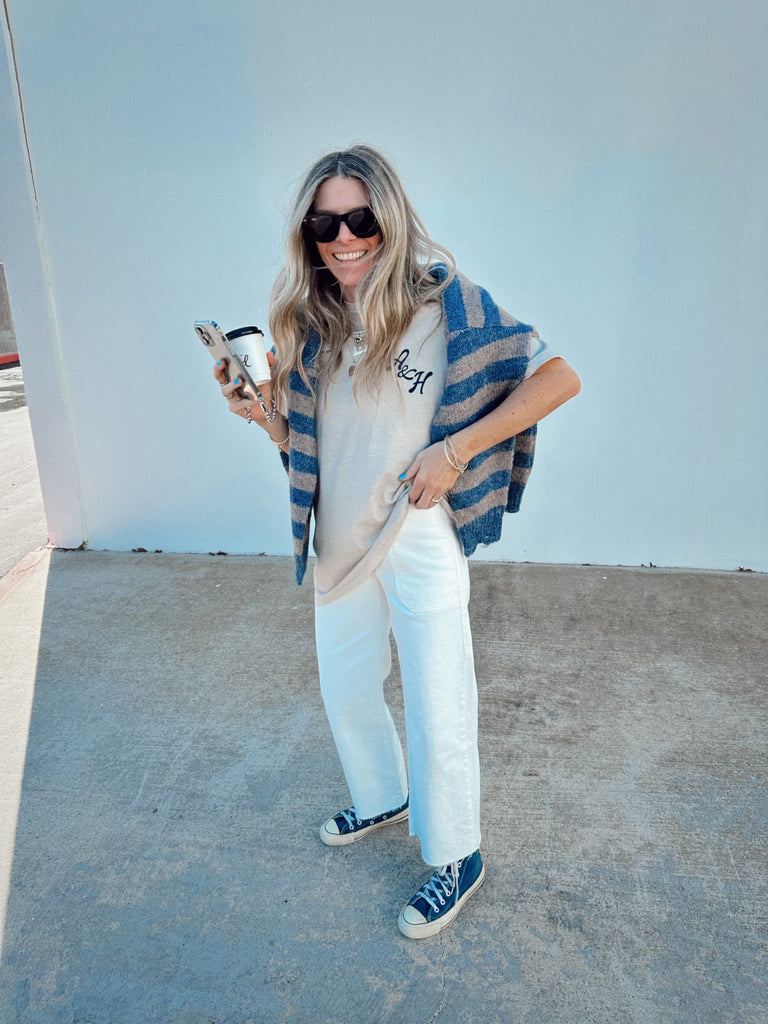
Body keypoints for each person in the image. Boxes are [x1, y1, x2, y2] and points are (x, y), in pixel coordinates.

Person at [214, 145, 580, 939]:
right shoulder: (312, 323)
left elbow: (558, 378)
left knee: (439, 703)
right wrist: (262, 415)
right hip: (339, 539)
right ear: (308, 234)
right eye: (325, 224)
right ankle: (383, 797)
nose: (344, 238)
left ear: (389, 218)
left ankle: (457, 855)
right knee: (347, 690)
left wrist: (457, 451)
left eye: (360, 219)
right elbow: (309, 443)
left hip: (416, 531)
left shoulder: (447, 304)